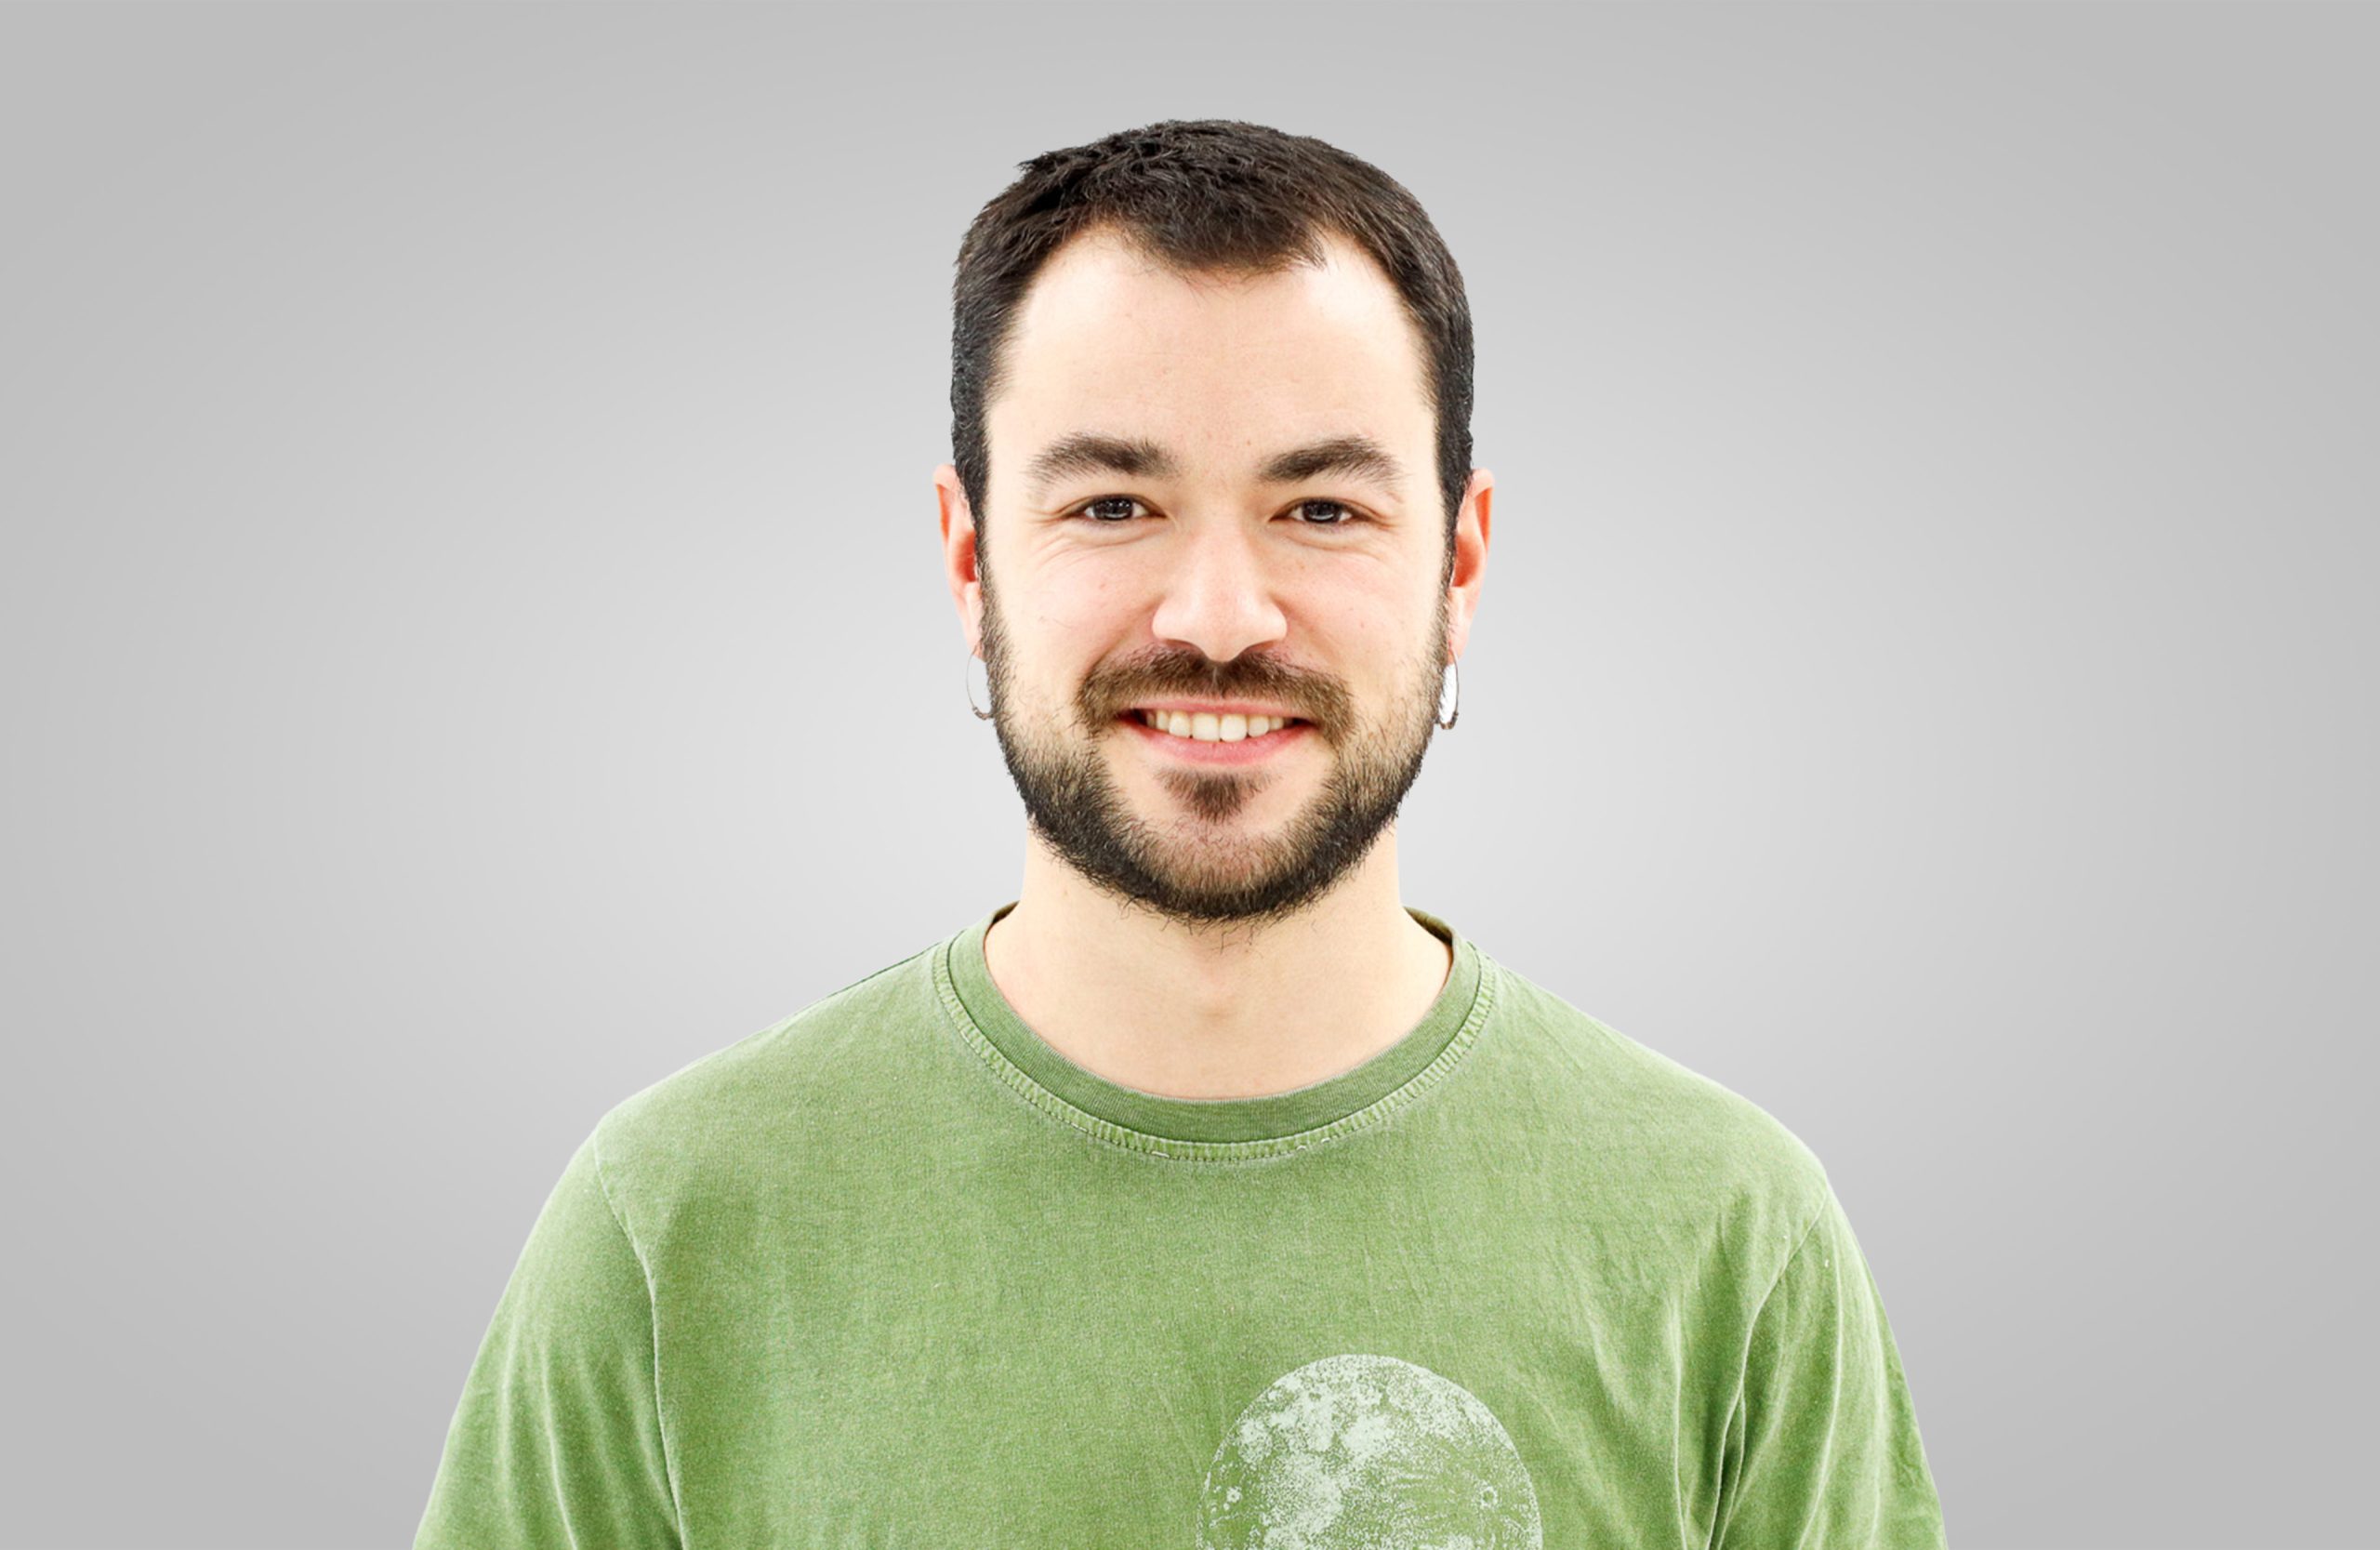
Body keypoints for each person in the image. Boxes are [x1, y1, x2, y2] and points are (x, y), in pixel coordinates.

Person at [414, 118, 1948, 1548]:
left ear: (1461, 566)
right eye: (1112, 505)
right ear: (970, 559)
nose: (1218, 617)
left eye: (1322, 509)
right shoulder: (675, 1225)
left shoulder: (1729, 1233)